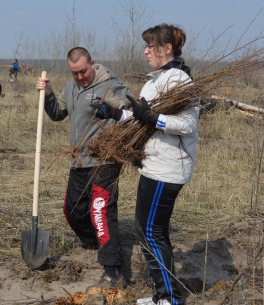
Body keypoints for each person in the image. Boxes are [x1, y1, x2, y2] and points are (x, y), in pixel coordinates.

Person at [92, 24, 198, 305]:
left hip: (168, 169)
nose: (145, 50)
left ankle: (168, 299)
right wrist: (115, 113)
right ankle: (161, 294)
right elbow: (142, 119)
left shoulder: (179, 81)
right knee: (150, 231)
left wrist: (152, 117)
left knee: (151, 232)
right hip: (154, 166)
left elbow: (187, 125)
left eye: (150, 46)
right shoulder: (154, 81)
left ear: (166, 49)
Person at [36, 47, 130, 288]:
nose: (79, 77)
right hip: (78, 161)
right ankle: (94, 241)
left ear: (92, 63)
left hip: (105, 160)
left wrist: (112, 111)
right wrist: (47, 93)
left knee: (100, 211)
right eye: (74, 72)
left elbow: (132, 112)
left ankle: (113, 270)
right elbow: (57, 113)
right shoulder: (71, 88)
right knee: (73, 210)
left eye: (83, 71)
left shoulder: (109, 84)